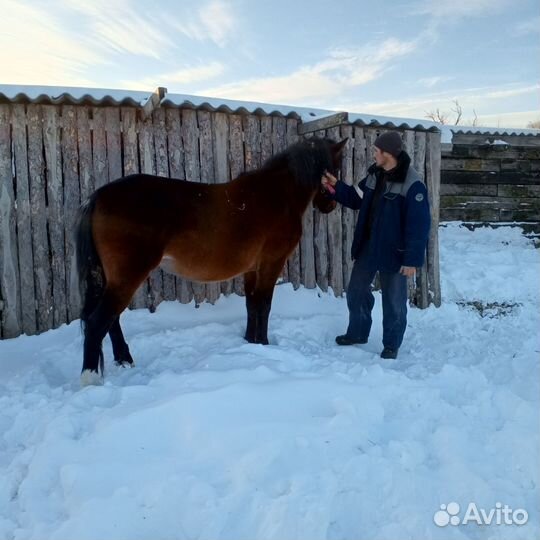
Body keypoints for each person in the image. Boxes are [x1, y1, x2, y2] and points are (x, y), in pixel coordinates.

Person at [321, 131, 430, 359]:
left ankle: (391, 344)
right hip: (369, 247)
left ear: (388, 153)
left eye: (376, 151)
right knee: (356, 292)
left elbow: (418, 226)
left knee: (394, 302)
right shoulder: (373, 175)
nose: (373, 154)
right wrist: (335, 185)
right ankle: (357, 333)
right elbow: (354, 198)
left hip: (396, 253)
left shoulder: (413, 184)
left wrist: (411, 260)